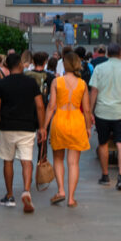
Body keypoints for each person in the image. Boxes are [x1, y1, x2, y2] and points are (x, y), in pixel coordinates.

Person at [0, 53, 46, 213]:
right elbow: (40, 106)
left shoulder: (1, 84)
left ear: (6, 66)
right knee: (27, 160)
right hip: (27, 127)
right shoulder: (31, 83)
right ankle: (26, 190)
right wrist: (42, 127)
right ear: (20, 65)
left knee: (8, 160)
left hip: (7, 127)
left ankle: (10, 195)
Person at [89, 43, 121, 190]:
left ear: (107, 54)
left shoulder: (99, 69)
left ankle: (105, 176)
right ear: (120, 54)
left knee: (103, 143)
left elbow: (94, 91)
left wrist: (90, 112)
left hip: (102, 112)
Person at [45, 51, 93, 207]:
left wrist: (43, 127)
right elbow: (86, 109)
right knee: (73, 163)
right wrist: (88, 127)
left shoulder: (56, 82)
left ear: (65, 64)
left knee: (58, 158)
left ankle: (61, 191)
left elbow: (51, 106)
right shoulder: (82, 84)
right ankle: (71, 198)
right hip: (76, 121)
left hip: (59, 120)